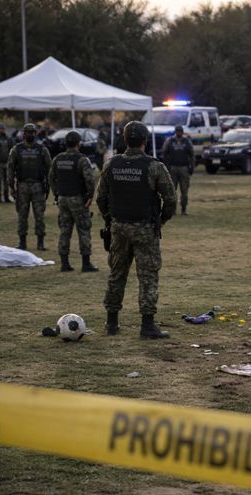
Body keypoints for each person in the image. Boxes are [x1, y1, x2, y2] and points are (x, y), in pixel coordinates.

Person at [96, 120, 176, 339]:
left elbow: (101, 198)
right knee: (148, 276)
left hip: (119, 227)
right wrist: (160, 220)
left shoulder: (111, 165)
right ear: (145, 141)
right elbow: (170, 199)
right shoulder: (154, 166)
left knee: (117, 273)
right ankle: (147, 325)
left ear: (124, 140)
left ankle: (112, 323)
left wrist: (110, 220)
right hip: (145, 228)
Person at [48, 130, 98, 273]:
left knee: (65, 230)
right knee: (83, 229)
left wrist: (56, 194)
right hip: (78, 199)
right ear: (78, 143)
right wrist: (90, 196)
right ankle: (86, 263)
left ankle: (64, 263)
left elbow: (51, 178)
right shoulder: (82, 159)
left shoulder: (58, 159)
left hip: (63, 198)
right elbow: (90, 180)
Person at [7, 123, 52, 251]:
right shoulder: (16, 149)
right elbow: (10, 168)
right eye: (28, 132)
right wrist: (11, 186)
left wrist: (48, 186)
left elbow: (49, 168)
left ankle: (40, 242)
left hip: (38, 186)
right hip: (22, 186)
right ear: (24, 133)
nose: (30, 134)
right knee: (22, 216)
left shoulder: (42, 149)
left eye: (32, 132)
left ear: (35, 133)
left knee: (40, 216)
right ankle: (22, 242)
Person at [160, 125, 194, 215]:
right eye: (177, 131)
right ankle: (173, 210)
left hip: (184, 168)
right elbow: (164, 153)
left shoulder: (187, 141)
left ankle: (184, 209)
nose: (179, 133)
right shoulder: (169, 141)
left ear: (182, 132)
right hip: (173, 168)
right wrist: (166, 165)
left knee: (184, 190)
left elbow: (192, 154)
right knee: (172, 190)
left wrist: (191, 166)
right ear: (175, 132)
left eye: (180, 131)